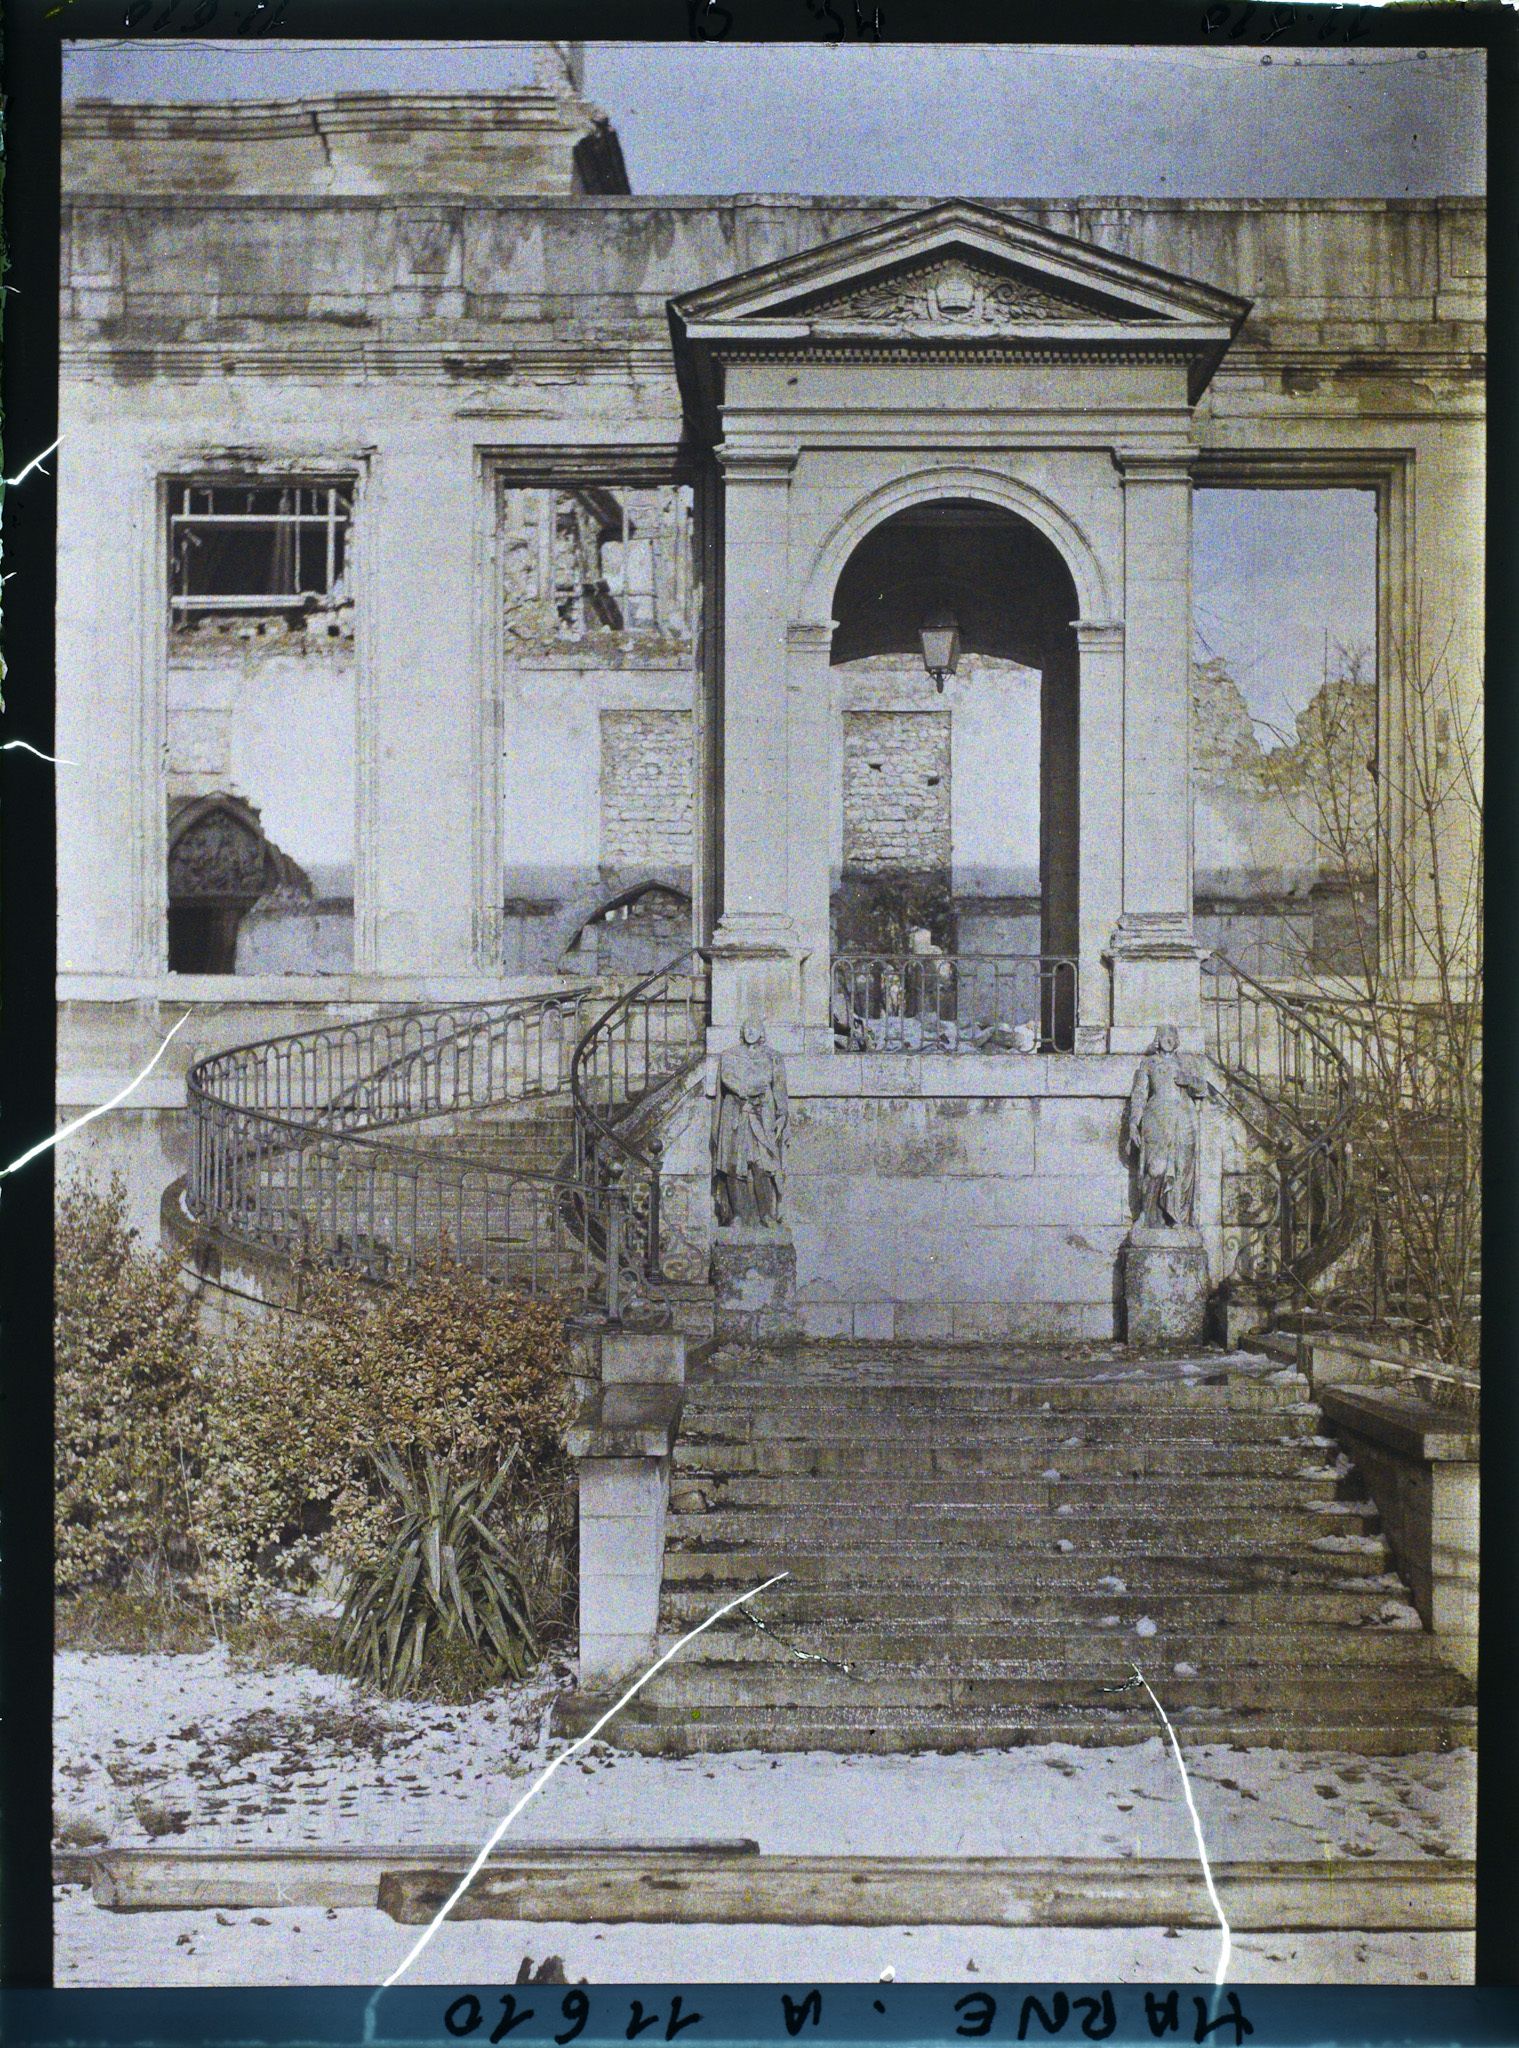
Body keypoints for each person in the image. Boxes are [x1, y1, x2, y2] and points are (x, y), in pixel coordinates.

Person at [1126, 1023, 1211, 1229]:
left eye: (1173, 1035)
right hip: (1156, 1118)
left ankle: (1176, 1217)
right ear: (1158, 1039)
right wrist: (1132, 1124)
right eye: (1165, 1035)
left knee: (1181, 1168)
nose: (1169, 1039)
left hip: (1182, 1120)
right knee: (1155, 1168)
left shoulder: (1186, 1063)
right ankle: (1146, 1214)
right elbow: (1139, 1095)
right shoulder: (1148, 1064)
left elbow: (1203, 1088)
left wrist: (1188, 1080)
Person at [712, 1018, 789, 1227]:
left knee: (762, 1164)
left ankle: (766, 1214)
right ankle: (736, 1214)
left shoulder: (773, 1057)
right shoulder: (729, 1055)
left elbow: (779, 1087)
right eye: (747, 1027)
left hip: (762, 1115)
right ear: (742, 1031)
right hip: (735, 1113)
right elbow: (727, 1078)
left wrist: (782, 1114)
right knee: (732, 1163)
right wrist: (745, 1090)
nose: (751, 1031)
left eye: (755, 1027)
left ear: (762, 1031)